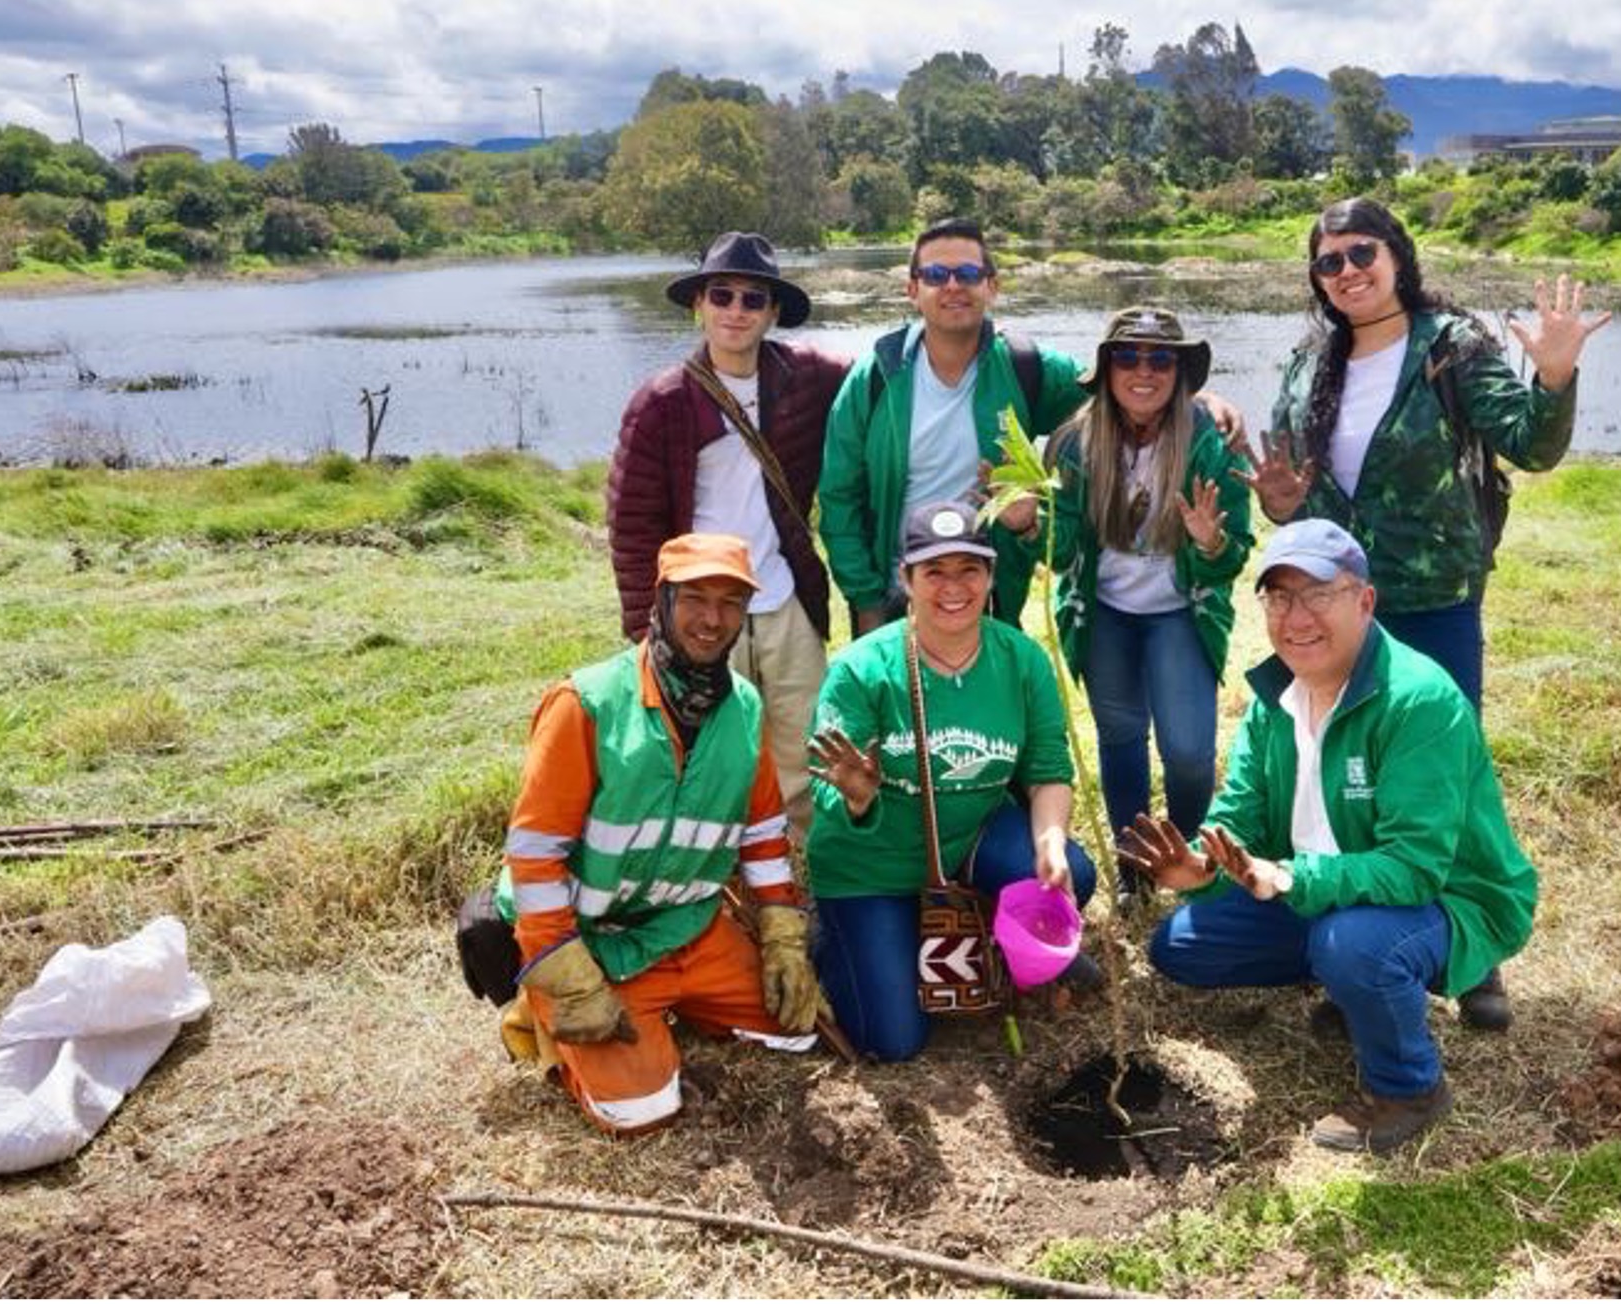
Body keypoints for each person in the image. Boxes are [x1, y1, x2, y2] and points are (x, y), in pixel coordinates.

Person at [1121, 520, 1537, 1155]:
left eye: (1318, 594)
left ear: (1364, 601)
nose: (1297, 617)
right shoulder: (1274, 698)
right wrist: (1200, 868)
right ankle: (1352, 981)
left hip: (1447, 897)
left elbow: (1415, 868)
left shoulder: (1417, 700)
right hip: (1324, 889)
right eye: (1279, 598)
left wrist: (1293, 877)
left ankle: (1408, 1087)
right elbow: (1238, 818)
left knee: (1354, 946)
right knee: (1181, 946)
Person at [494, 533, 828, 1134]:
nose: (712, 620)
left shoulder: (746, 708)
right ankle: (539, 1011)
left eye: (730, 603)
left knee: (799, 1032)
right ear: (663, 601)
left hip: (687, 927)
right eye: (695, 599)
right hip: (592, 939)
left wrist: (782, 937)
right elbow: (536, 857)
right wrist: (567, 975)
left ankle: (675, 1006)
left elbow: (762, 835)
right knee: (638, 1111)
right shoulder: (587, 704)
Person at [1243, 197, 1610, 713]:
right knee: (1334, 750)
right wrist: (1280, 505)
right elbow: (1296, 496)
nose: (1347, 271)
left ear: (1396, 256)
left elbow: (1532, 448)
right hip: (1327, 604)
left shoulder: (1449, 347)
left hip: (1432, 601)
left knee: (1436, 745)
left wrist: (1553, 377)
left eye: (1362, 253)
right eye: (1329, 262)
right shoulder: (1308, 363)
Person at [818, 216, 1244, 634]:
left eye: (968, 273)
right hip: (899, 589)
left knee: (991, 682)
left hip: (989, 591)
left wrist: (1195, 396)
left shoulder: (1024, 366)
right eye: (935, 275)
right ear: (912, 289)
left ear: (992, 286)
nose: (952, 285)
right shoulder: (877, 378)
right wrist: (866, 599)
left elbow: (1118, 388)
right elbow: (839, 495)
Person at [803, 500, 1099, 1061]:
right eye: (934, 571)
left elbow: (1047, 770)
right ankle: (840, 938)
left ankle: (978, 926)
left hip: (968, 840)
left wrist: (1050, 843)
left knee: (1070, 876)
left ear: (991, 575)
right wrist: (859, 796)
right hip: (871, 866)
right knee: (893, 1041)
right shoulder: (861, 670)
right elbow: (825, 781)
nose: (953, 587)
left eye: (969, 569)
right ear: (906, 579)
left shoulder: (1021, 659)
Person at [608, 230, 848, 838]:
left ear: (772, 312)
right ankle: (719, 867)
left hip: (785, 598)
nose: (736, 311)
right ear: (699, 304)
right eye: (721, 295)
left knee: (806, 745)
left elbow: (883, 377)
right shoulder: (662, 402)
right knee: (711, 748)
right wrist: (647, 627)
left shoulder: (807, 378)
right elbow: (632, 527)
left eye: (752, 299)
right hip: (703, 604)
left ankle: (803, 866)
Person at [1046, 306, 1253, 871]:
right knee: (1120, 737)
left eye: (1162, 358)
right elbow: (1060, 554)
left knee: (1188, 752)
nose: (1144, 370)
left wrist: (1210, 544)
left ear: (1180, 372)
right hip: (1103, 612)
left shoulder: (1210, 441)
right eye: (1128, 357)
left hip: (1181, 612)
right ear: (1106, 368)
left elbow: (1233, 557)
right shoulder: (1074, 443)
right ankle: (1134, 864)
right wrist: (1028, 525)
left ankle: (1179, 856)